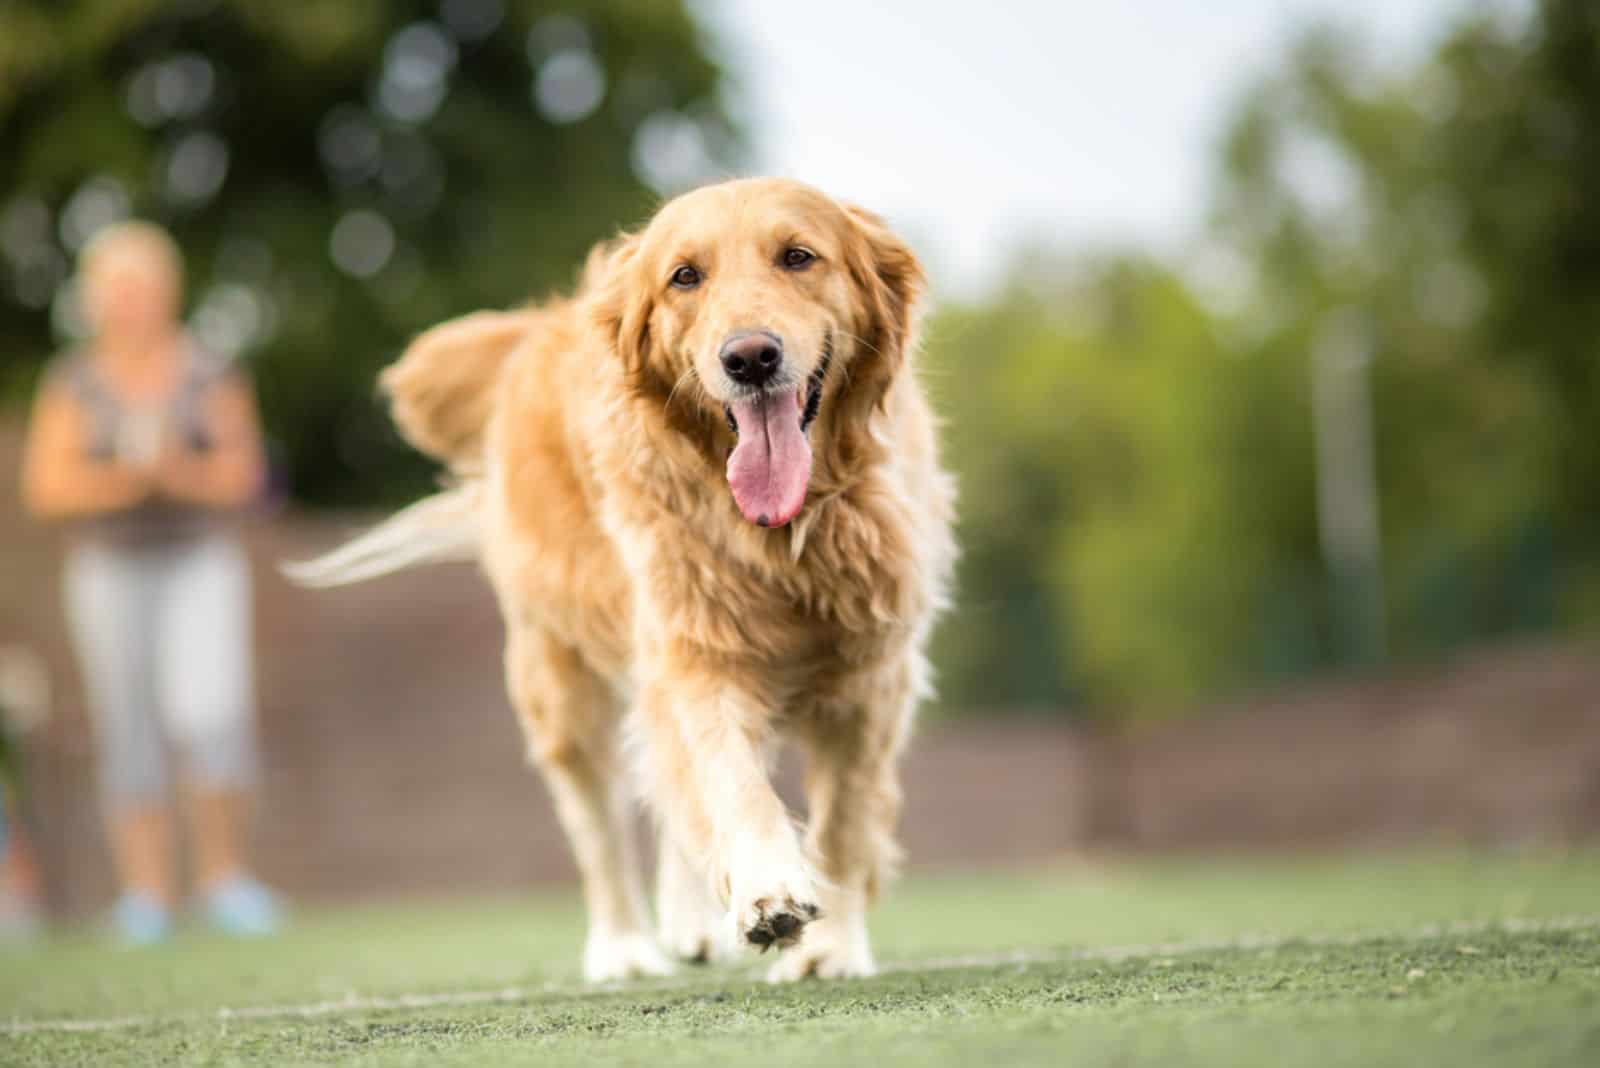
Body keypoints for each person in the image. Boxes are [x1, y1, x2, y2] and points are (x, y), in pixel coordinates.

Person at [19, 221, 281, 943]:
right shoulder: (73, 380)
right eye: (116, 289)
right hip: (108, 570)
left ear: (168, 293)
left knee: (214, 716)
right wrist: (126, 483)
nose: (130, 302)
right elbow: (48, 486)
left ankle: (226, 881)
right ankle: (146, 897)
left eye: (142, 287)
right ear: (95, 299)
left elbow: (242, 477)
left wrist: (175, 477)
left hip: (199, 562)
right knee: (127, 728)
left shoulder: (209, 371)